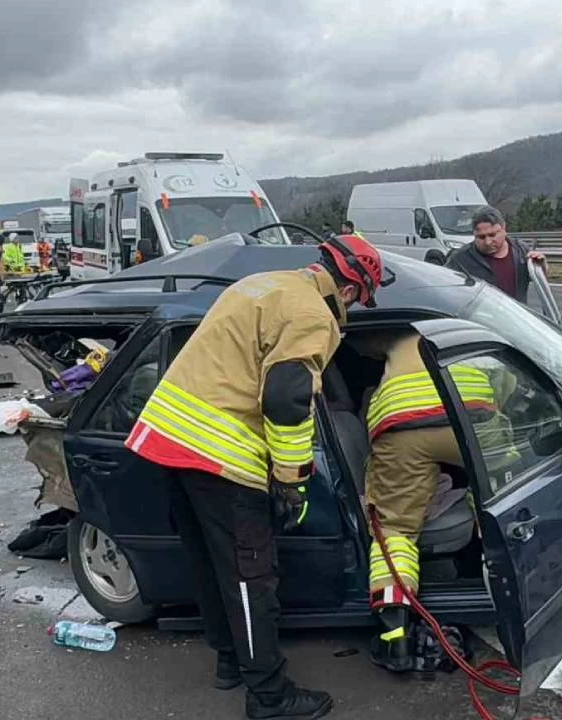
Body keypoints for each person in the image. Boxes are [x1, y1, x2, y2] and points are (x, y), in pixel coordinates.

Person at [125, 234, 386, 720]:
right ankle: (269, 695)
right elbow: (287, 400)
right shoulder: (313, 315)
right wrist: (292, 481)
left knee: (211, 564)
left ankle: (230, 661)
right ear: (350, 290)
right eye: (358, 300)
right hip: (220, 452)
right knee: (252, 578)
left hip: (172, 438)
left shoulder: (262, 284)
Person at [358, 332, 501, 670]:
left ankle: (395, 640)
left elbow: (361, 343)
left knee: (395, 530)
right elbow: (505, 387)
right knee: (504, 497)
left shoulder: (395, 331)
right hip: (473, 415)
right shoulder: (467, 325)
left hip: (403, 425)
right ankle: (500, 583)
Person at [443, 206, 546, 302]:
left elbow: (538, 281)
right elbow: (443, 289)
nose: (487, 242)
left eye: (492, 235)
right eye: (481, 237)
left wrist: (540, 266)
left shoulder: (521, 251)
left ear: (504, 228)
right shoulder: (460, 259)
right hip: (479, 315)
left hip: (515, 314)